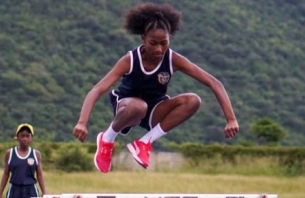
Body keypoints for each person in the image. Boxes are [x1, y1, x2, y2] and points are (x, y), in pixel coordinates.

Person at [72, 2, 239, 173]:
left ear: (169, 39)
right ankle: (107, 139)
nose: (159, 49)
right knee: (138, 106)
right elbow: (97, 89)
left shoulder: (173, 59)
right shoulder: (130, 60)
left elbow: (214, 83)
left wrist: (231, 119)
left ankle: (144, 142)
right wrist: (82, 123)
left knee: (193, 100)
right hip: (127, 108)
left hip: (154, 109)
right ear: (143, 38)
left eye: (163, 43)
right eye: (153, 43)